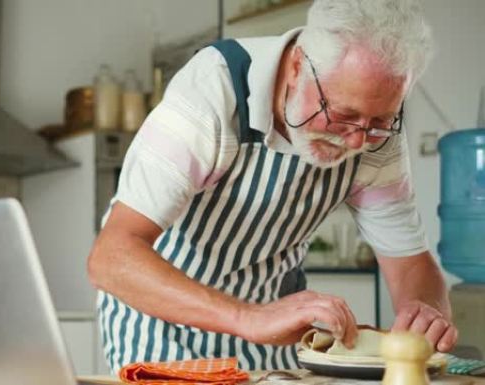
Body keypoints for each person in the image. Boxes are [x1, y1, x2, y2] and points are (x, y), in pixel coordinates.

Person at [87, 0, 457, 372]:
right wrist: (249, 319)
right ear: (297, 66)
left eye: (379, 122)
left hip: (273, 341)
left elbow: (409, 261)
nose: (358, 141)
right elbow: (112, 257)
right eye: (342, 116)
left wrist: (424, 313)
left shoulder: (375, 134)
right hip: (163, 336)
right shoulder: (215, 88)